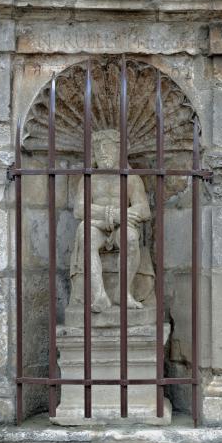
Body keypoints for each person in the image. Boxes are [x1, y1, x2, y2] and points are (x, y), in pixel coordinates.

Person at [69, 129, 151, 312]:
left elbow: (144, 210)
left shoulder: (131, 179)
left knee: (130, 239)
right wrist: (114, 214)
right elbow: (79, 210)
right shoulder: (89, 179)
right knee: (85, 234)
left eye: (108, 148)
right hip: (97, 226)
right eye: (98, 150)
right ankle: (99, 297)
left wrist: (119, 217)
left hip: (122, 227)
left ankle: (124, 293)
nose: (103, 153)